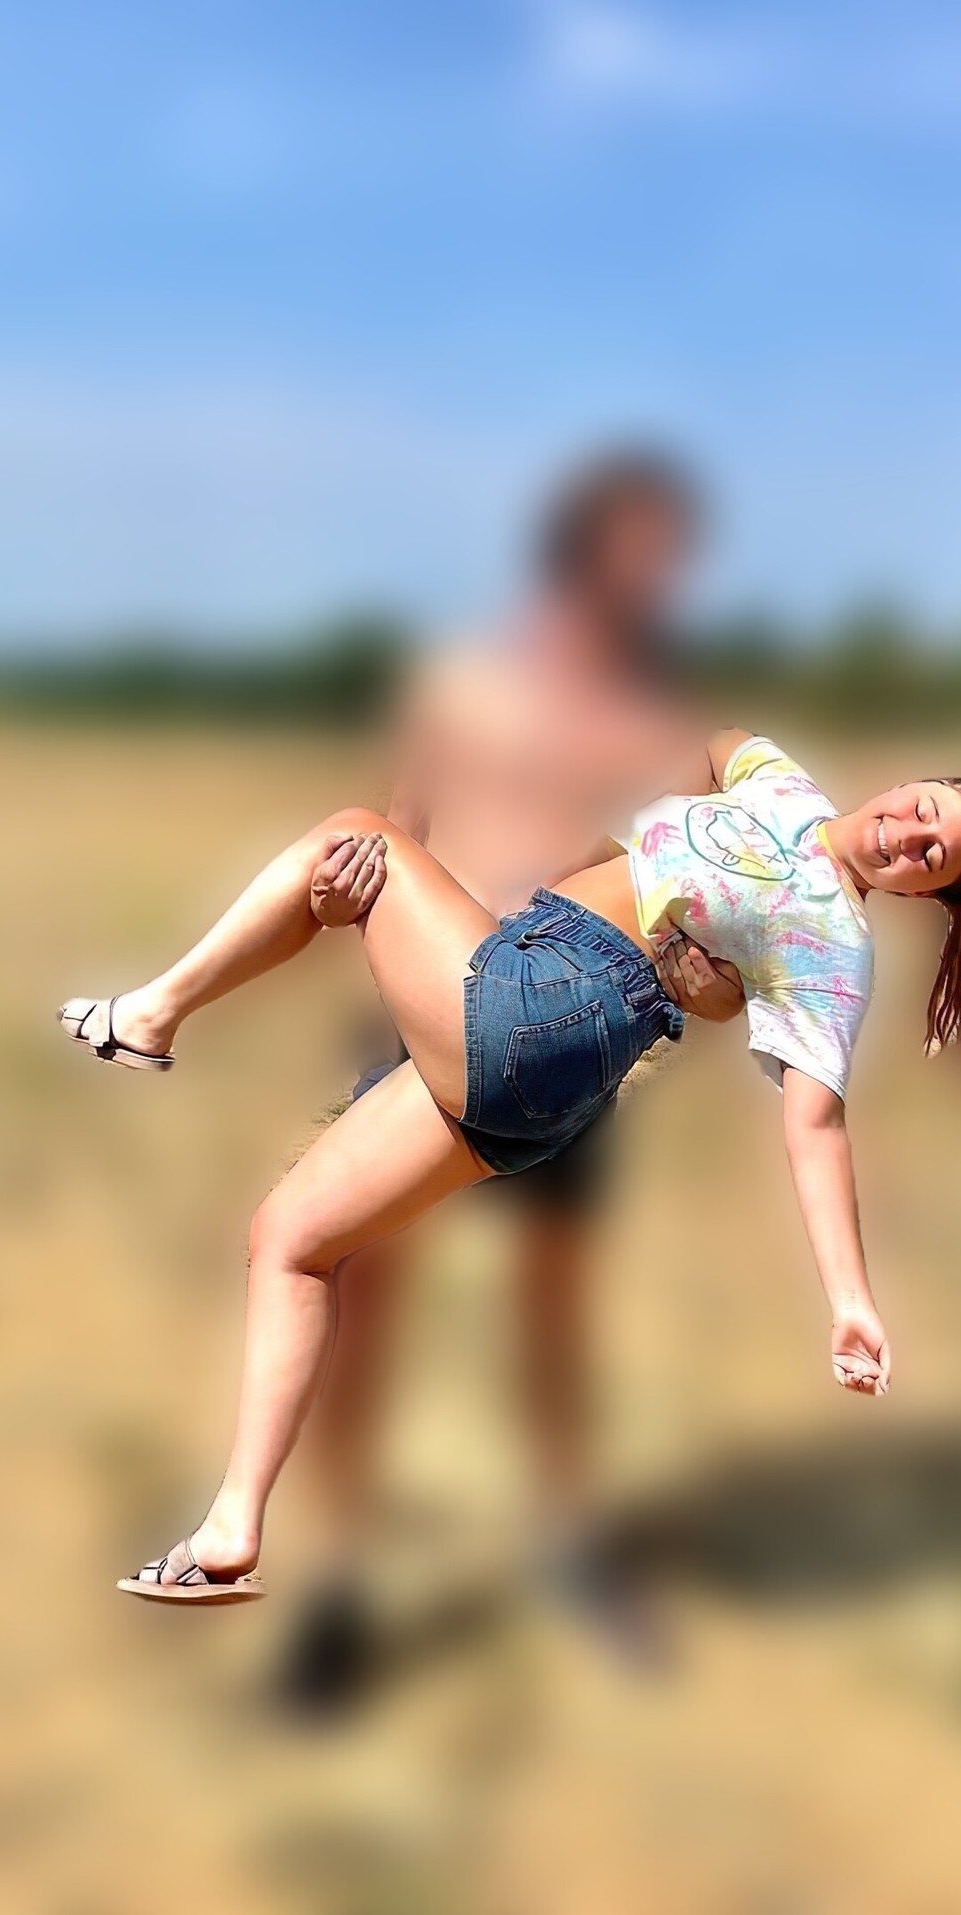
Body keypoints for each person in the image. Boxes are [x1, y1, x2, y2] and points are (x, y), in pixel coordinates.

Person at [57, 729, 961, 1603]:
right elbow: (713, 744)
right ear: (906, 784)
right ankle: (231, 1530)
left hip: (558, 1003)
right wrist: (624, 826)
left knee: (357, 836)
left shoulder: (834, 949)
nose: (910, 836)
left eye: (932, 857)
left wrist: (850, 1300)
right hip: (545, 1057)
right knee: (290, 1240)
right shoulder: (780, 786)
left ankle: (153, 1014)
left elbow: (815, 1126)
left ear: (926, 895)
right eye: (924, 809)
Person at [290, 450, 739, 1696]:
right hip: (429, 1011)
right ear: (580, 544)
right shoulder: (462, 683)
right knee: (363, 1288)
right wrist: (356, 914)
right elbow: (400, 835)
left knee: (551, 1299)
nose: (655, 575)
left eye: (670, 555)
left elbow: (671, 888)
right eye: (639, 545)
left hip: (563, 1024)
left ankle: (568, 1545)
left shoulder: (660, 733)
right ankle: (337, 1581)